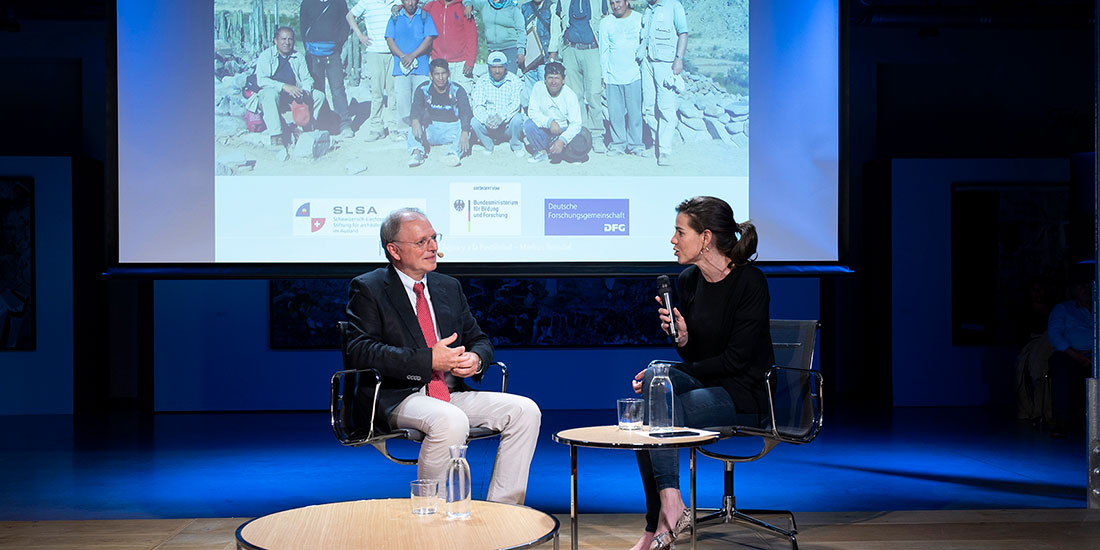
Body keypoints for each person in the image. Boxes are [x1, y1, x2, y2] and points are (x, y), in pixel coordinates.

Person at [345, 208, 542, 504]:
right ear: (394, 250)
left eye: (434, 238)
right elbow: (360, 351)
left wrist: (475, 359)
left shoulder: (448, 287)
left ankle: (504, 509)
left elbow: (479, 340)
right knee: (451, 420)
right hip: (398, 396)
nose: (433, 247)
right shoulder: (369, 288)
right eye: (421, 242)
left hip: (448, 393)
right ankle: (430, 510)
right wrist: (428, 360)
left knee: (525, 411)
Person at [629, 196, 773, 550]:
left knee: (655, 400)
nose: (673, 240)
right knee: (655, 384)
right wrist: (684, 338)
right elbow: (697, 355)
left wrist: (673, 371)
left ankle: (660, 522)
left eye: (680, 232)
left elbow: (736, 362)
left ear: (705, 237)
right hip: (707, 383)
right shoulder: (689, 280)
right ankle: (668, 508)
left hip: (744, 393)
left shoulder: (750, 282)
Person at [549, 0, 608, 153]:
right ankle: (582, 133)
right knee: (575, 96)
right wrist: (553, 50)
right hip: (570, 49)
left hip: (592, 49)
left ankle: (597, 135)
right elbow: (556, 25)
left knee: (594, 94)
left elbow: (606, 21)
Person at [251, 26, 327, 141]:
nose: (287, 42)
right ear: (276, 40)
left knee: (319, 96)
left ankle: (304, 127)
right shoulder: (266, 56)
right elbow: (262, 80)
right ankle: (276, 136)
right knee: (269, 94)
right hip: (273, 94)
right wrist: (283, 86)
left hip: (293, 95)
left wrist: (305, 91)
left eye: (290, 39)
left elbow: (307, 79)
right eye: (283, 39)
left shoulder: (298, 57)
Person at [637, 0, 688, 166]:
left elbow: (683, 33)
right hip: (647, 62)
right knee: (649, 107)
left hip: (665, 63)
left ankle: (665, 150)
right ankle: (655, 144)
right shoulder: (648, 9)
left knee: (666, 107)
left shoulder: (674, 6)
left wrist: (679, 59)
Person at [1046, 273, 1095, 437]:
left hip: (1095, 355)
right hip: (1070, 354)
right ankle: (1061, 421)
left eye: (1089, 286)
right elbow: (1054, 335)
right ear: (1074, 290)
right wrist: (1076, 354)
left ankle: (1093, 421)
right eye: (1081, 286)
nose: (1086, 290)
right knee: (1060, 364)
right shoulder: (1063, 308)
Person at [347, 0, 401, 141]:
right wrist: (360, 35)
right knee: (377, 92)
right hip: (375, 52)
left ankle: (394, 127)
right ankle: (376, 128)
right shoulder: (367, 2)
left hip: (394, 52)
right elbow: (350, 16)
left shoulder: (397, 2)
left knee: (393, 91)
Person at [385, 0, 438, 140]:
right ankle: (404, 130)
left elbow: (429, 39)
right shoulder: (395, 17)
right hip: (401, 66)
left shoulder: (424, 16)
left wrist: (413, 55)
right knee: (402, 99)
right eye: (407, 0)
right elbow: (390, 39)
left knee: (422, 98)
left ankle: (422, 127)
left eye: (413, 0)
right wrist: (403, 56)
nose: (410, 3)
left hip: (421, 66)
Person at [301, 0, 354, 138]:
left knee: (338, 89)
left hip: (333, 52)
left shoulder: (339, 2)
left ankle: (345, 124)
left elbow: (345, 23)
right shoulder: (307, 2)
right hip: (313, 54)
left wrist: (338, 43)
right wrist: (308, 48)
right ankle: (322, 123)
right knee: (318, 90)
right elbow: (303, 25)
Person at [406, 58, 474, 167]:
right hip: (431, 129)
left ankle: (453, 154)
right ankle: (417, 153)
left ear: (449, 74)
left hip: (451, 130)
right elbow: (416, 107)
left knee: (467, 128)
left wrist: (465, 132)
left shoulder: (458, 90)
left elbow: (466, 112)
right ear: (431, 75)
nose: (441, 78)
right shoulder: (423, 89)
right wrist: (414, 119)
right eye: (437, 74)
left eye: (443, 73)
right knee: (413, 126)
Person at [598, 0, 644, 156]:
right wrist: (604, 75)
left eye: (618, 1)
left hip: (634, 74)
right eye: (612, 3)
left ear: (627, 1)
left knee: (635, 114)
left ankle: (636, 145)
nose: (615, 6)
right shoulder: (606, 23)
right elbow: (604, 51)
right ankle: (618, 144)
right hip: (613, 76)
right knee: (615, 114)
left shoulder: (639, 19)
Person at [524, 61, 591, 163]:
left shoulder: (570, 95)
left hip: (563, 129)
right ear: (545, 79)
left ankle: (561, 150)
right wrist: (549, 122)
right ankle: (542, 151)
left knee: (581, 138)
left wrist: (562, 140)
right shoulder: (538, 87)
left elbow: (576, 123)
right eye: (550, 78)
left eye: (557, 78)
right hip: (545, 129)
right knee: (529, 125)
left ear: (563, 80)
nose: (553, 82)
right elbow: (533, 112)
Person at [470, 51, 526, 156]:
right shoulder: (482, 81)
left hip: (507, 124)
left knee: (518, 119)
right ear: (489, 67)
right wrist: (486, 119)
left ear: (505, 67)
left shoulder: (514, 80)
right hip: (489, 124)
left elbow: (515, 104)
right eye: (493, 67)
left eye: (500, 67)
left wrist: (501, 117)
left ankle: (515, 145)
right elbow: (477, 105)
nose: (497, 71)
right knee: (474, 122)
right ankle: (488, 145)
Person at [423, 0, 478, 93]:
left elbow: (471, 36)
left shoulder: (464, 8)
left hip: (460, 63)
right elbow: (414, 11)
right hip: (438, 61)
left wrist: (470, 61)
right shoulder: (431, 6)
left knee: (463, 94)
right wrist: (400, 7)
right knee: (438, 96)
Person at [467, 0, 527, 73]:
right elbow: (468, 1)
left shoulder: (513, 9)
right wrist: (468, 5)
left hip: (510, 48)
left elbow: (521, 31)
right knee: (494, 76)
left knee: (509, 76)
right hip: (492, 49)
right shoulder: (484, 4)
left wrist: (521, 51)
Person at [520, 0, 554, 107]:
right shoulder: (525, 8)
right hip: (529, 57)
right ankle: (533, 114)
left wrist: (552, 55)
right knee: (531, 92)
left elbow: (555, 32)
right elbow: (520, 31)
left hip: (545, 57)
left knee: (545, 90)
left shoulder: (551, 7)